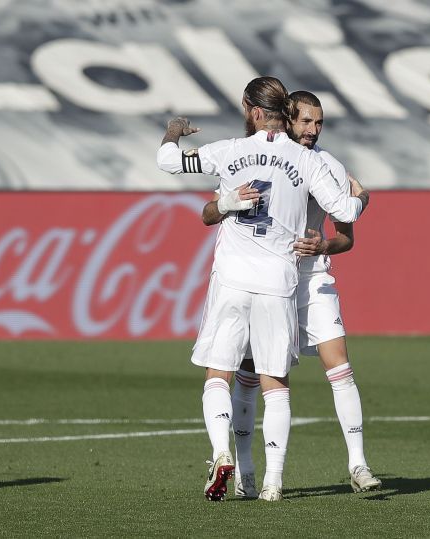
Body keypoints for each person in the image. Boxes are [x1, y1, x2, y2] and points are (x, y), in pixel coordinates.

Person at [156, 76, 370, 502]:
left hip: (232, 278)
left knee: (220, 373)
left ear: (251, 109)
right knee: (276, 384)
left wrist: (174, 132)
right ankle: (272, 483)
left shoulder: (228, 152)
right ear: (285, 114)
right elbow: (346, 209)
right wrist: (363, 198)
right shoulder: (306, 161)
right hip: (278, 282)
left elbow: (168, 162)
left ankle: (221, 454)